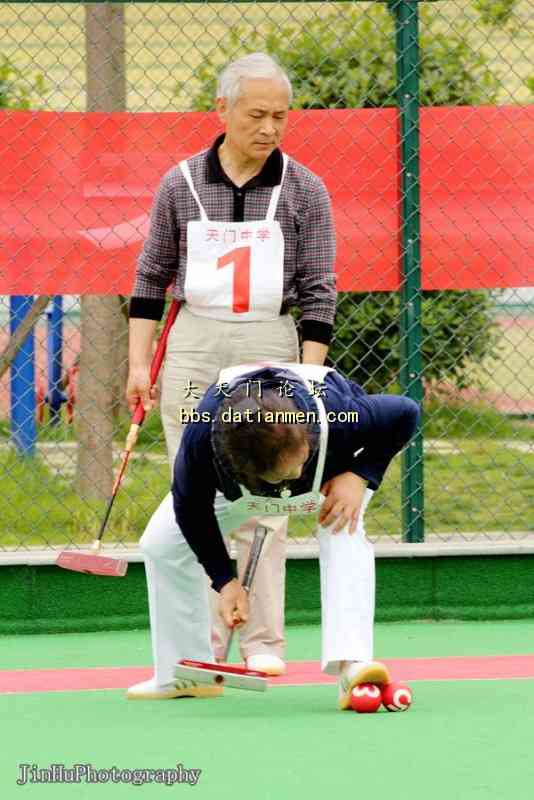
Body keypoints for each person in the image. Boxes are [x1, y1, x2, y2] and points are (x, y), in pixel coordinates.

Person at [126, 52, 337, 675]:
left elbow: (319, 290)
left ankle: (263, 643)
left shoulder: (305, 189)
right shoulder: (179, 184)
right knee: (197, 494)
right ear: (222, 110)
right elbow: (150, 277)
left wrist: (309, 377)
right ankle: (203, 647)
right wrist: (139, 363)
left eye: (281, 116)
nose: (269, 128)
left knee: (269, 495)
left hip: (269, 346)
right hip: (194, 348)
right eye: (256, 114)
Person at [126, 362, 420, 708]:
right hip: (240, 485)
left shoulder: (339, 413)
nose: (296, 474)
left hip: (333, 471)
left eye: (299, 460)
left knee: (343, 528)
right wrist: (225, 581)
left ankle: (353, 664)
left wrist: (361, 474)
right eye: (285, 474)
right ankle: (185, 673)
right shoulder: (202, 440)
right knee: (162, 543)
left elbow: (406, 412)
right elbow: (191, 509)